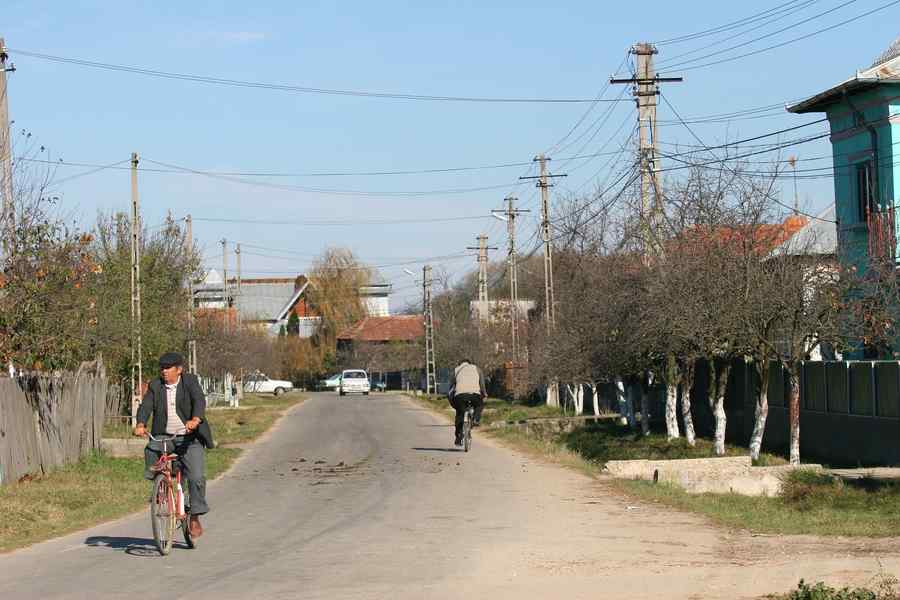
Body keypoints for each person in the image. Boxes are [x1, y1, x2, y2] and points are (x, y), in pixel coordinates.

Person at [133, 352, 215, 538]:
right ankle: (160, 484)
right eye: (162, 368)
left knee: (196, 477)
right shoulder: (156, 386)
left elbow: (199, 400)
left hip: (188, 437)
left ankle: (194, 516)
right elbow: (146, 406)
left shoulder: (190, 382)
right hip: (164, 436)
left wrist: (196, 419)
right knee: (151, 449)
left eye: (168, 368)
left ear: (179, 370)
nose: (164, 371)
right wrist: (140, 424)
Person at [448, 358, 487, 446]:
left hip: (460, 396)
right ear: (470, 363)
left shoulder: (456, 370)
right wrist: (484, 394)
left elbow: (451, 386)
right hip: (474, 395)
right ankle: (476, 419)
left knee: (459, 414)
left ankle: (458, 437)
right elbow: (482, 384)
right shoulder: (477, 369)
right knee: (479, 405)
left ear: (460, 363)